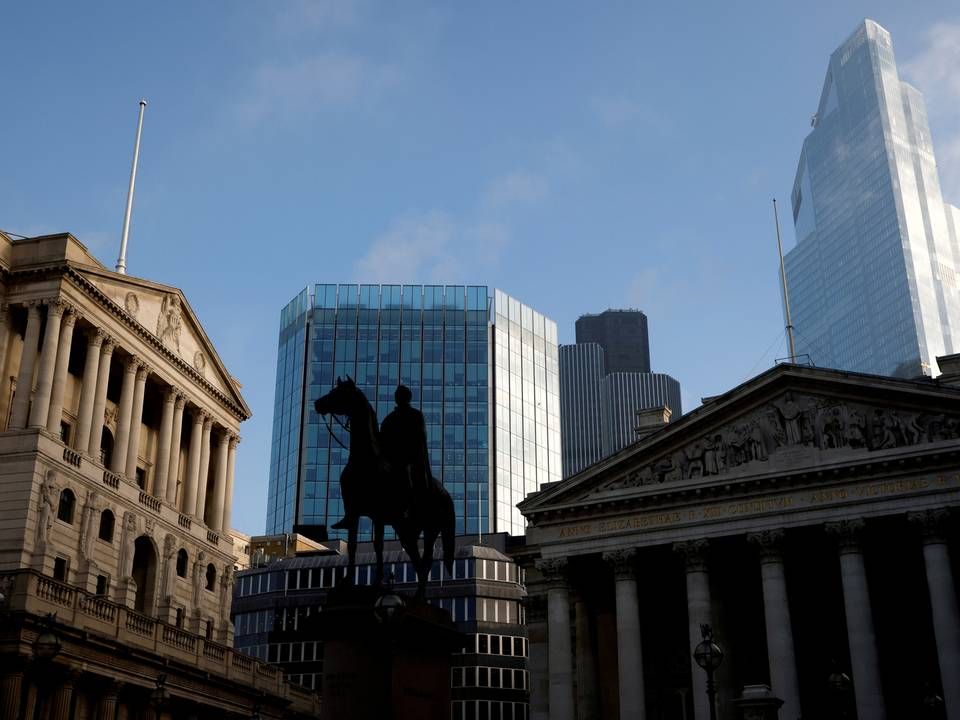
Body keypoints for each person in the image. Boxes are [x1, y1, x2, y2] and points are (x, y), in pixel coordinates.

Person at [380, 385, 431, 500]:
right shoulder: (390, 419)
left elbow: (420, 439)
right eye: (398, 396)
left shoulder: (415, 415)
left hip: (410, 459)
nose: (399, 398)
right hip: (392, 459)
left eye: (401, 396)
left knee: (406, 473)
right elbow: (382, 440)